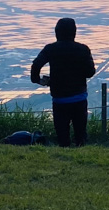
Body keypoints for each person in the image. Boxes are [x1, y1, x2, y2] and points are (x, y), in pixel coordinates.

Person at [31, 17, 96, 148]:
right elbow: (90, 72)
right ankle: (82, 159)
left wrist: (38, 80)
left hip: (59, 99)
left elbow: (36, 65)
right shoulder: (83, 49)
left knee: (62, 137)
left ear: (57, 32)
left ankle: (64, 160)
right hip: (79, 98)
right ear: (74, 32)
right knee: (80, 135)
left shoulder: (50, 49)